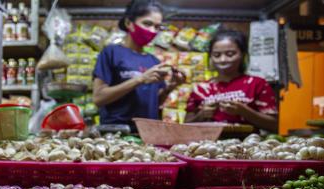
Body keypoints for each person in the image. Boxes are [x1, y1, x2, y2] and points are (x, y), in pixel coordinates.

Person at [92, 0, 185, 131]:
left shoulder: (154, 62)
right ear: (129, 23)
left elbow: (153, 103)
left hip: (148, 133)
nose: (152, 31)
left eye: (157, 27)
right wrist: (140, 79)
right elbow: (99, 98)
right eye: (147, 24)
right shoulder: (111, 53)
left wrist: (170, 87)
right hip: (117, 133)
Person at [185, 30, 278, 133]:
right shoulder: (200, 89)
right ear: (210, 57)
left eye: (230, 54)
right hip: (206, 146)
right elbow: (185, 127)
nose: (223, 60)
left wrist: (244, 111)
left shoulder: (257, 84)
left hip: (246, 146)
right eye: (216, 55)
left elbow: (274, 125)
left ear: (242, 54)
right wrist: (201, 115)